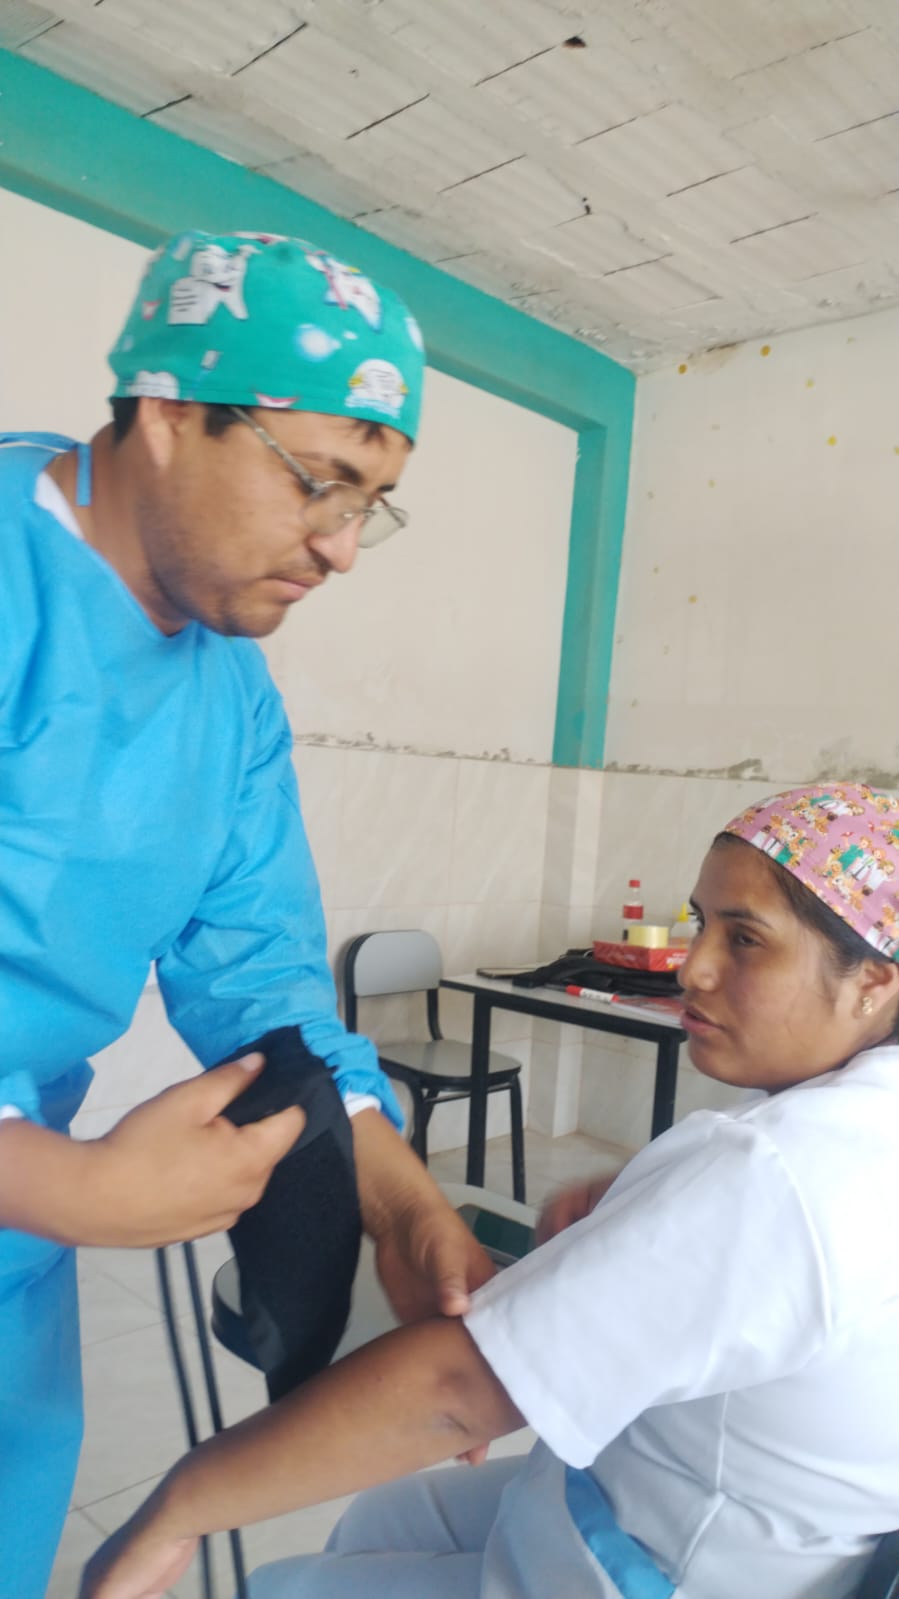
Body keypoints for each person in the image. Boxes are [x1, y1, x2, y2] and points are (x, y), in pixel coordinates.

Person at [0, 229, 492, 1599]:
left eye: (373, 502)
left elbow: (262, 978)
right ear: (166, 413)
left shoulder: (227, 696)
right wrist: (69, 1186)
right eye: (318, 480)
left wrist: (400, 1206)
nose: (342, 547)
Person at [81, 781, 899, 1599]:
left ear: (873, 980)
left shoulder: (770, 1170)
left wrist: (178, 1508)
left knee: (282, 1586)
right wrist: (649, 1210)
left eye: (745, 938)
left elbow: (456, 1392)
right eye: (698, 922)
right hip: (707, 1499)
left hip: (666, 1561)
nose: (691, 965)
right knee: (382, 1518)